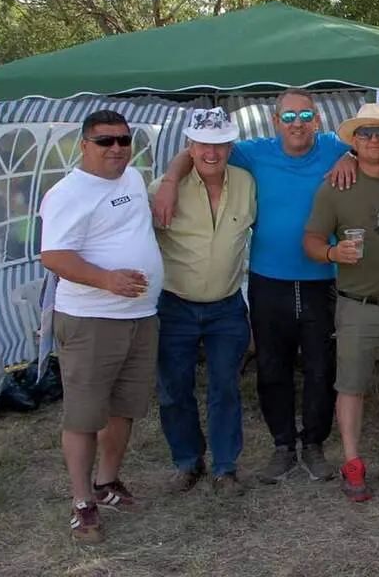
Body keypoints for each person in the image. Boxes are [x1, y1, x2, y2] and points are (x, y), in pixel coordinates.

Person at [153, 88, 356, 484]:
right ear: (274, 122)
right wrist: (169, 180)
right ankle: (283, 446)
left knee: (320, 367)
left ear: (317, 120)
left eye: (304, 116)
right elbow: (200, 148)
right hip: (268, 280)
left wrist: (351, 155)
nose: (297, 124)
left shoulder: (335, 147)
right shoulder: (252, 153)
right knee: (271, 366)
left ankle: (313, 445)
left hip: (322, 280)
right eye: (288, 117)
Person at [39, 110, 165, 543]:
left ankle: (107, 482)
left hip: (139, 317)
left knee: (123, 407)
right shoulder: (67, 193)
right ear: (84, 144)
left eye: (124, 140)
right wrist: (106, 279)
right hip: (92, 319)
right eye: (105, 141)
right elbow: (54, 256)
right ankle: (82, 503)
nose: (116, 148)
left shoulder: (130, 178)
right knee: (84, 415)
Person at [304, 104, 379, 502]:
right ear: (353, 141)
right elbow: (312, 241)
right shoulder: (334, 186)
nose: (374, 139)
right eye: (365, 133)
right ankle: (353, 461)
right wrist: (332, 255)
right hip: (357, 303)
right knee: (351, 385)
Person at [149, 108, 255, 497]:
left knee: (225, 387)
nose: (212, 152)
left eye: (220, 144)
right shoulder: (162, 188)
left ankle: (225, 468)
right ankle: (187, 462)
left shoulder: (246, 182)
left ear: (230, 146)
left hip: (227, 306)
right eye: (203, 144)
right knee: (175, 388)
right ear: (189, 146)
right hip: (175, 305)